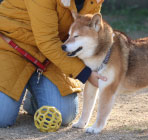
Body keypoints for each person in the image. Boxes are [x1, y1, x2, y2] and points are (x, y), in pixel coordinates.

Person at [0, 0, 106, 128]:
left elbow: (90, 34)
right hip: (12, 47)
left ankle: (33, 98)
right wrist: (85, 72)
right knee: (2, 117)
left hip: (51, 56)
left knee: (63, 115)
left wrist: (99, 64)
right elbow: (47, 41)